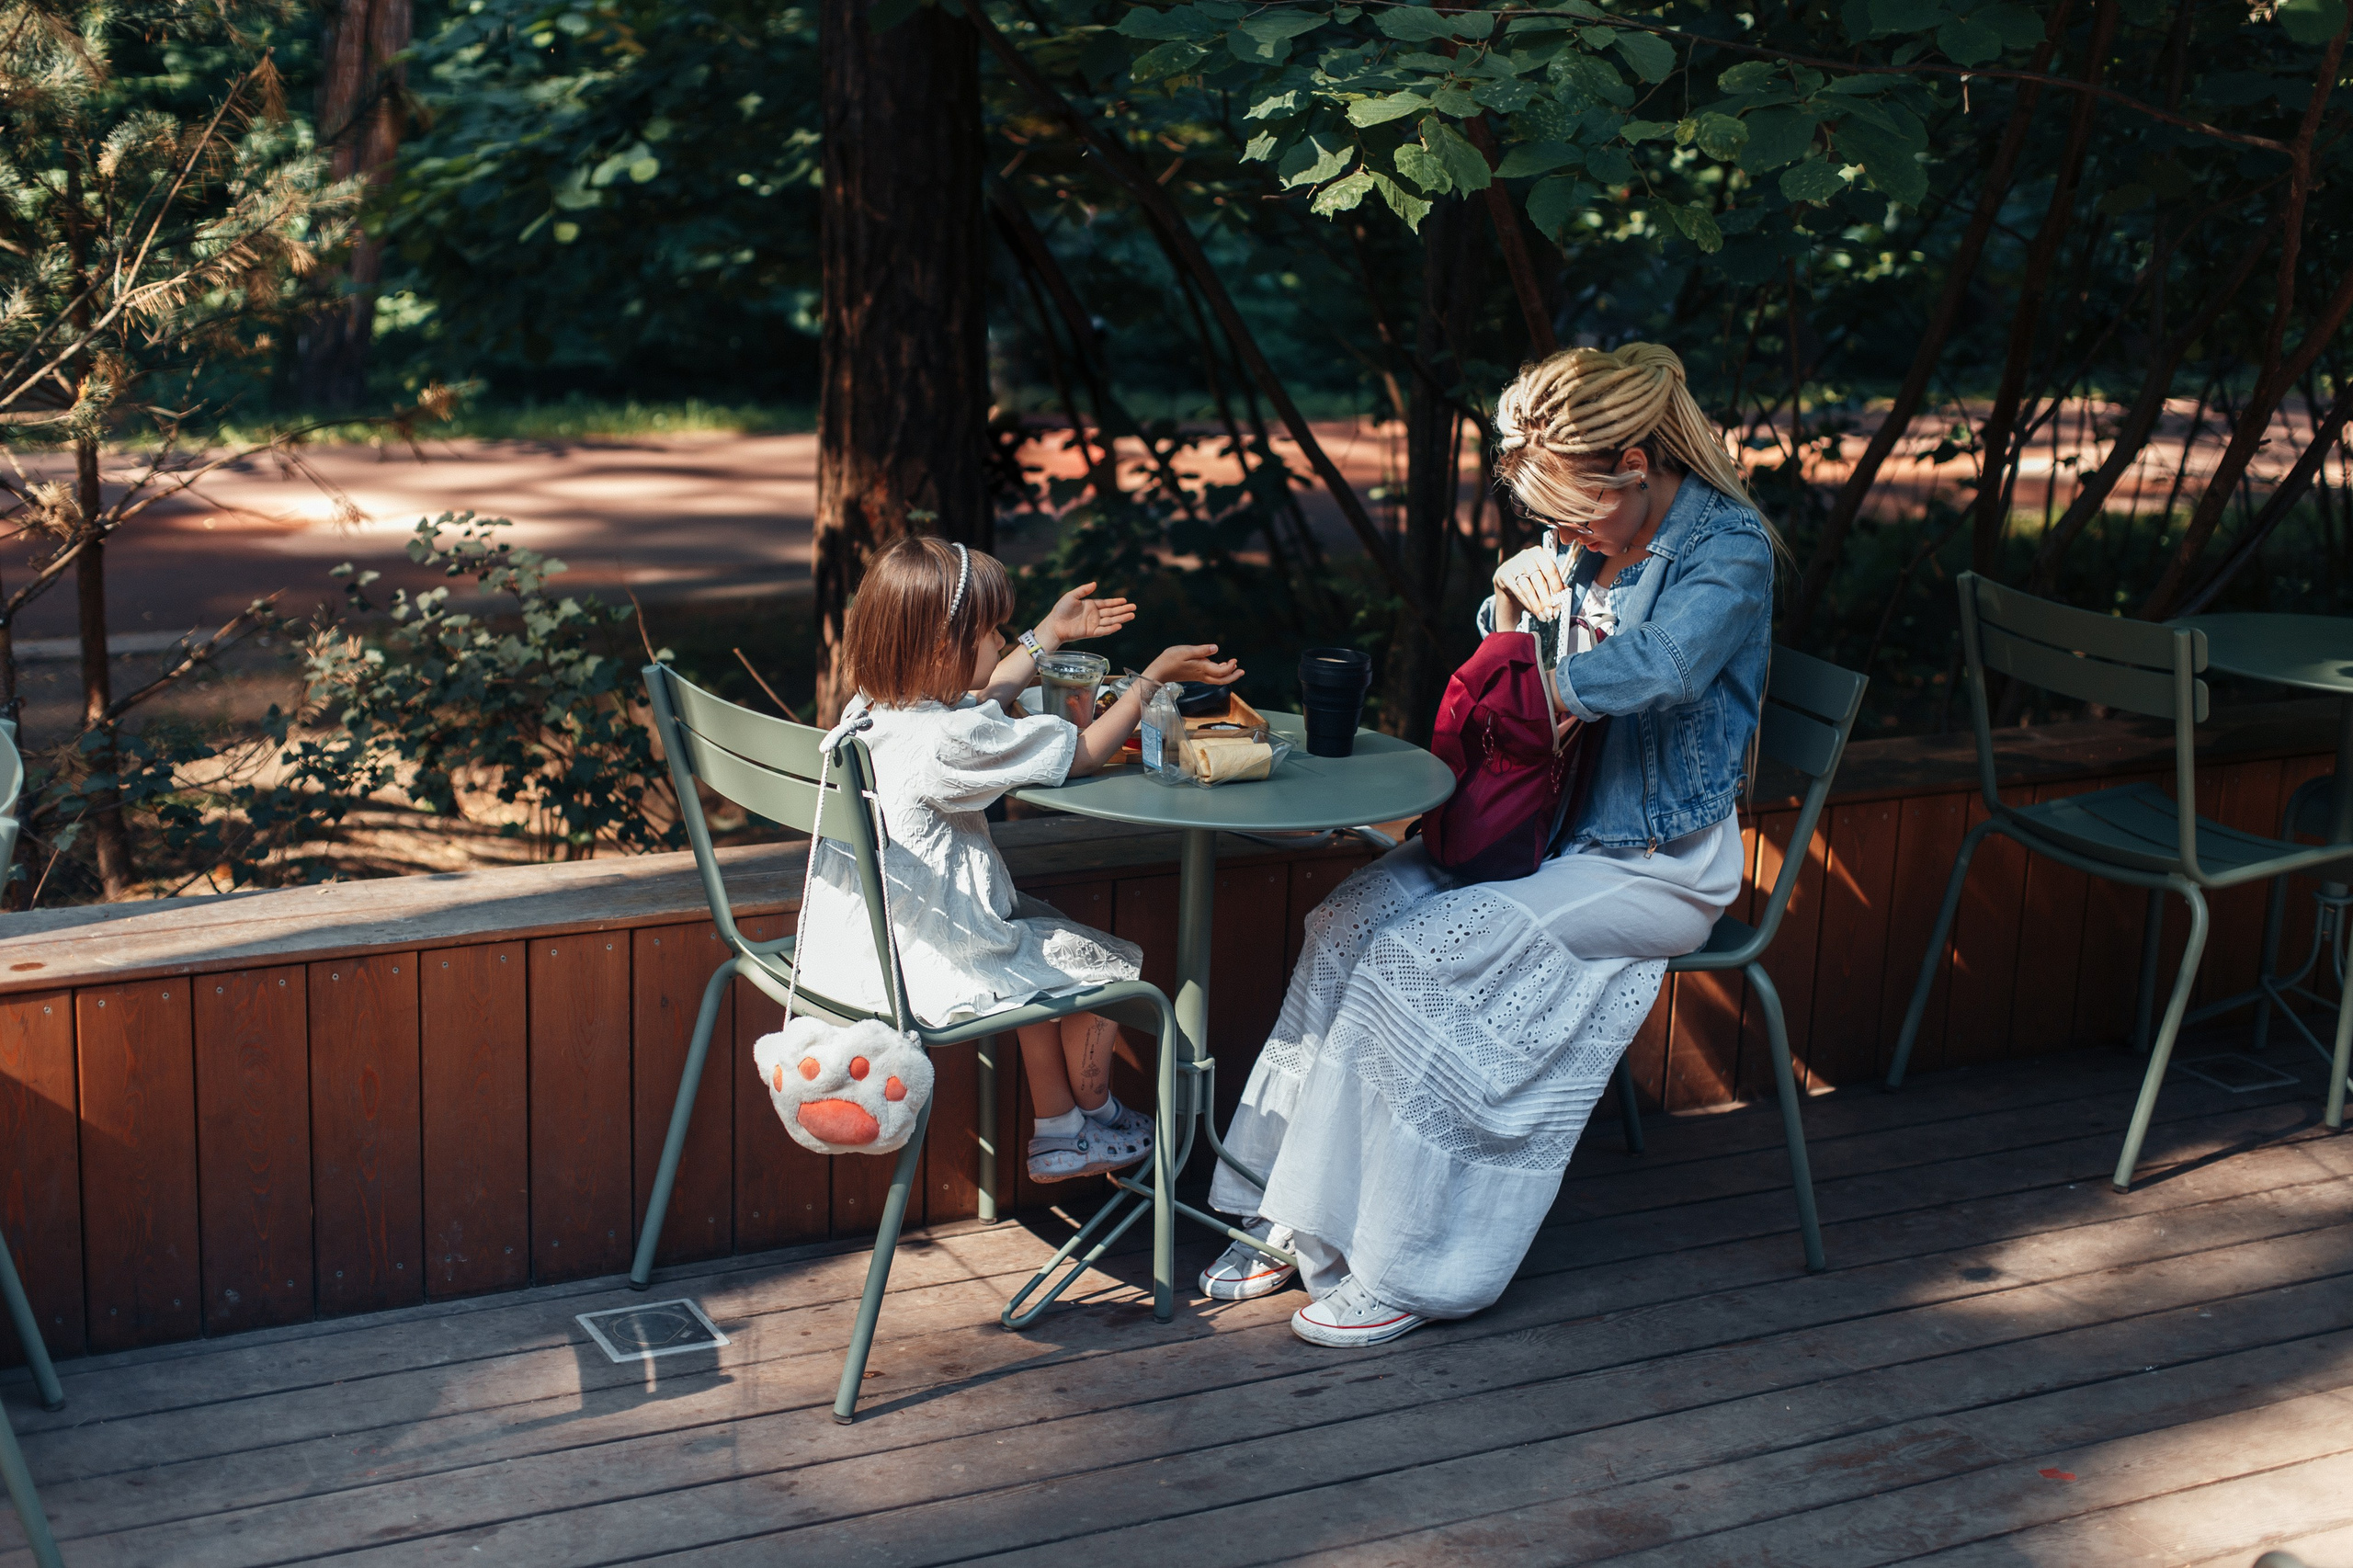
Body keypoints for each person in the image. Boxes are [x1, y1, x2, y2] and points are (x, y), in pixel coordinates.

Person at [1200, 343, 1780, 1346]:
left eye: (1572, 507)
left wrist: (1546, 689)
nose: (1559, 528)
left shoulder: (1728, 548)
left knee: (1414, 958)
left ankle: (1399, 1261)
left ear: (1636, 462)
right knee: (1342, 921)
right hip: (1542, 832)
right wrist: (1511, 600)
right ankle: (1277, 1204)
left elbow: (1669, 663)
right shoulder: (1595, 530)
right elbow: (1521, 631)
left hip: (1655, 862)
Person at [793, 536, 1243, 1183]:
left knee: (1042, 948)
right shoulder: (953, 738)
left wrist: (1047, 635)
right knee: (1108, 970)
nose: (1002, 642)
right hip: (936, 965)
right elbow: (1082, 754)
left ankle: (1061, 1129)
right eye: (992, 631)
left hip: (861, 947)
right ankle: (1097, 1107)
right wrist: (1152, 680)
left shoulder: (871, 707)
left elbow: (984, 694)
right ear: (945, 649)